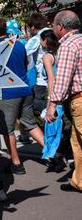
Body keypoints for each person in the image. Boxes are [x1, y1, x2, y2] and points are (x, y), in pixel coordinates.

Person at [0, 18, 44, 175]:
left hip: (7, 92)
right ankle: (52, 154)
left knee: (7, 129)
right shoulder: (20, 45)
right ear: (6, 30)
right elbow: (27, 65)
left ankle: (16, 163)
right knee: (30, 123)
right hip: (25, 88)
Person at [46, 10, 82, 192]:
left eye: (53, 24)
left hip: (79, 99)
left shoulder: (68, 45)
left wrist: (52, 104)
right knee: (77, 143)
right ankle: (79, 181)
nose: (53, 28)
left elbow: (62, 79)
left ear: (60, 26)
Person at [39, 29, 67, 172]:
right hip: (66, 93)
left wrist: (51, 102)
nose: (40, 42)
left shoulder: (47, 56)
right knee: (63, 127)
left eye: (41, 39)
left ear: (45, 40)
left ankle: (56, 156)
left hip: (55, 94)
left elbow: (51, 79)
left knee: (52, 126)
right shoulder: (61, 52)